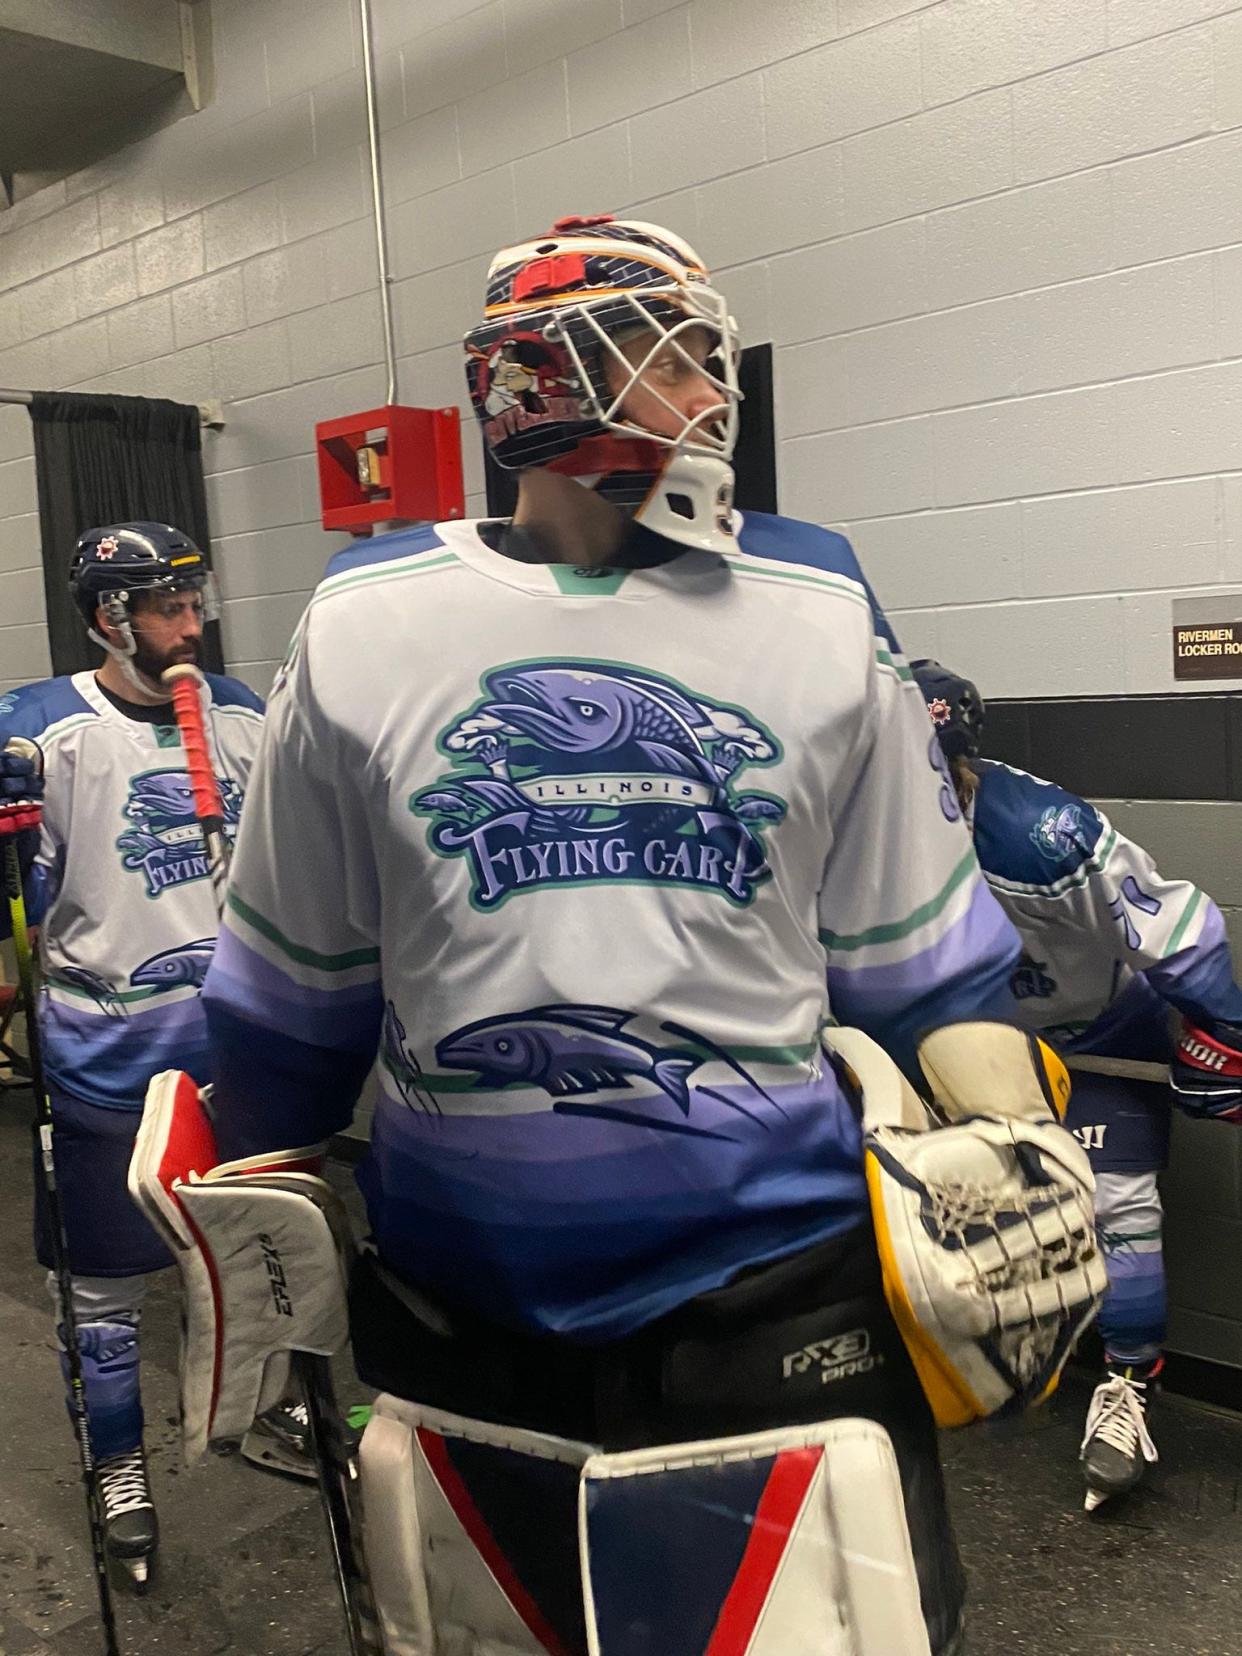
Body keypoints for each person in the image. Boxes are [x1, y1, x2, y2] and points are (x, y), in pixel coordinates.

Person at [198, 215, 1062, 1654]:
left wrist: (1013, 1158)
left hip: (774, 1287)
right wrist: (254, 1210)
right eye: (672, 358)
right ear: (531, 382)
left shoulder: (814, 600)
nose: (711, 398)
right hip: (452, 1300)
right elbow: (296, 991)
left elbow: (924, 962)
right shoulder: (361, 626)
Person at [0, 522, 298, 1587]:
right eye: (168, 608)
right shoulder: (40, 729)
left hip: (234, 1045)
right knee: (108, 1290)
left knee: (262, 1253)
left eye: (194, 603)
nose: (193, 624)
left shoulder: (240, 716)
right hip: (106, 1051)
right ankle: (118, 1465)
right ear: (107, 616)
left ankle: (267, 1408)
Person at [912, 658, 1242, 1512]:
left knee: (1120, 1205)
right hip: (947, 1041)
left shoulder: (1042, 834)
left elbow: (1175, 925)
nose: (924, 790)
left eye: (937, 767)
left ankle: (1128, 1390)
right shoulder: (848, 834)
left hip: (1093, 1035)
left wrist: (1223, 1031)